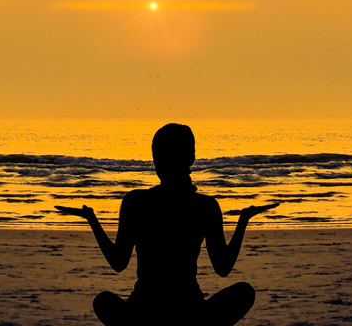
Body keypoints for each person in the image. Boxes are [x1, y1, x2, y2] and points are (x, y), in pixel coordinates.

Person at [56, 123, 277, 326]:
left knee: (103, 301)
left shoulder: (136, 201)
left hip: (142, 310)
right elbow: (223, 268)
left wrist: (93, 221)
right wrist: (243, 221)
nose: (156, 162)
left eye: (158, 156)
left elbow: (118, 263)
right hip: (191, 311)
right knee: (244, 293)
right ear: (191, 157)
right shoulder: (205, 206)